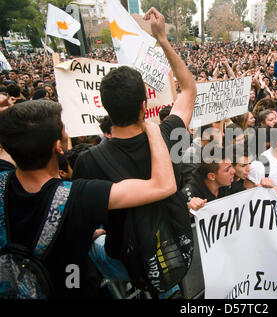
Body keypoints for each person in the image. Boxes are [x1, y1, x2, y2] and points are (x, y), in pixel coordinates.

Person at [72, 7, 196, 290]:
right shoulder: (168, 133)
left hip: (125, 261)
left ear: (105, 109)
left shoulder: (88, 162)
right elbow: (188, 89)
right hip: (176, 245)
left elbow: (85, 221)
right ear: (144, 106)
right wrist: (162, 39)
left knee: (92, 244)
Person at [0, 100, 176, 298]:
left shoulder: (2, 182)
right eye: (63, 127)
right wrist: (152, 130)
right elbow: (164, 185)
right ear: (58, 147)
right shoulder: (79, 197)